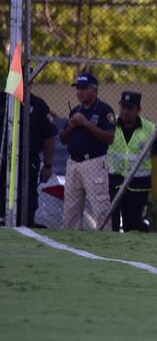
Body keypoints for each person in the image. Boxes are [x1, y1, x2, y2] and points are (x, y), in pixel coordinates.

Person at [59, 72, 116, 230]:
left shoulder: (104, 110)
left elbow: (109, 138)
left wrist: (86, 123)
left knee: (100, 206)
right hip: (73, 163)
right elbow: (63, 138)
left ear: (94, 90)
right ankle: (71, 243)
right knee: (71, 208)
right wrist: (72, 126)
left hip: (94, 162)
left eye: (83, 88)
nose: (79, 92)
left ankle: (104, 241)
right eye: (77, 88)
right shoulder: (75, 110)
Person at [106, 91, 157, 232]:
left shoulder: (150, 129)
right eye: (123, 107)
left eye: (130, 108)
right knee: (110, 223)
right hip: (114, 182)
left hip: (138, 185)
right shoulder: (110, 125)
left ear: (138, 109)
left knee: (133, 226)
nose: (125, 111)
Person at [0, 93, 57, 227]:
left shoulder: (38, 105)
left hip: (27, 161)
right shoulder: (3, 100)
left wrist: (48, 165)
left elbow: (49, 137)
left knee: (27, 198)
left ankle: (25, 225)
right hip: (3, 160)